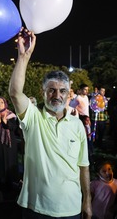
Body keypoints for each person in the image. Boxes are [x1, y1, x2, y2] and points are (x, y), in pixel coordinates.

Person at [9, 28, 92, 218]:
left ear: (69, 94)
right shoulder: (32, 118)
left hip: (71, 209)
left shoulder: (77, 125)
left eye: (62, 91)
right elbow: (14, 92)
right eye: (51, 90)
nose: (57, 95)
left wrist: (87, 200)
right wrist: (23, 56)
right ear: (42, 92)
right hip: (36, 208)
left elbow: (84, 166)